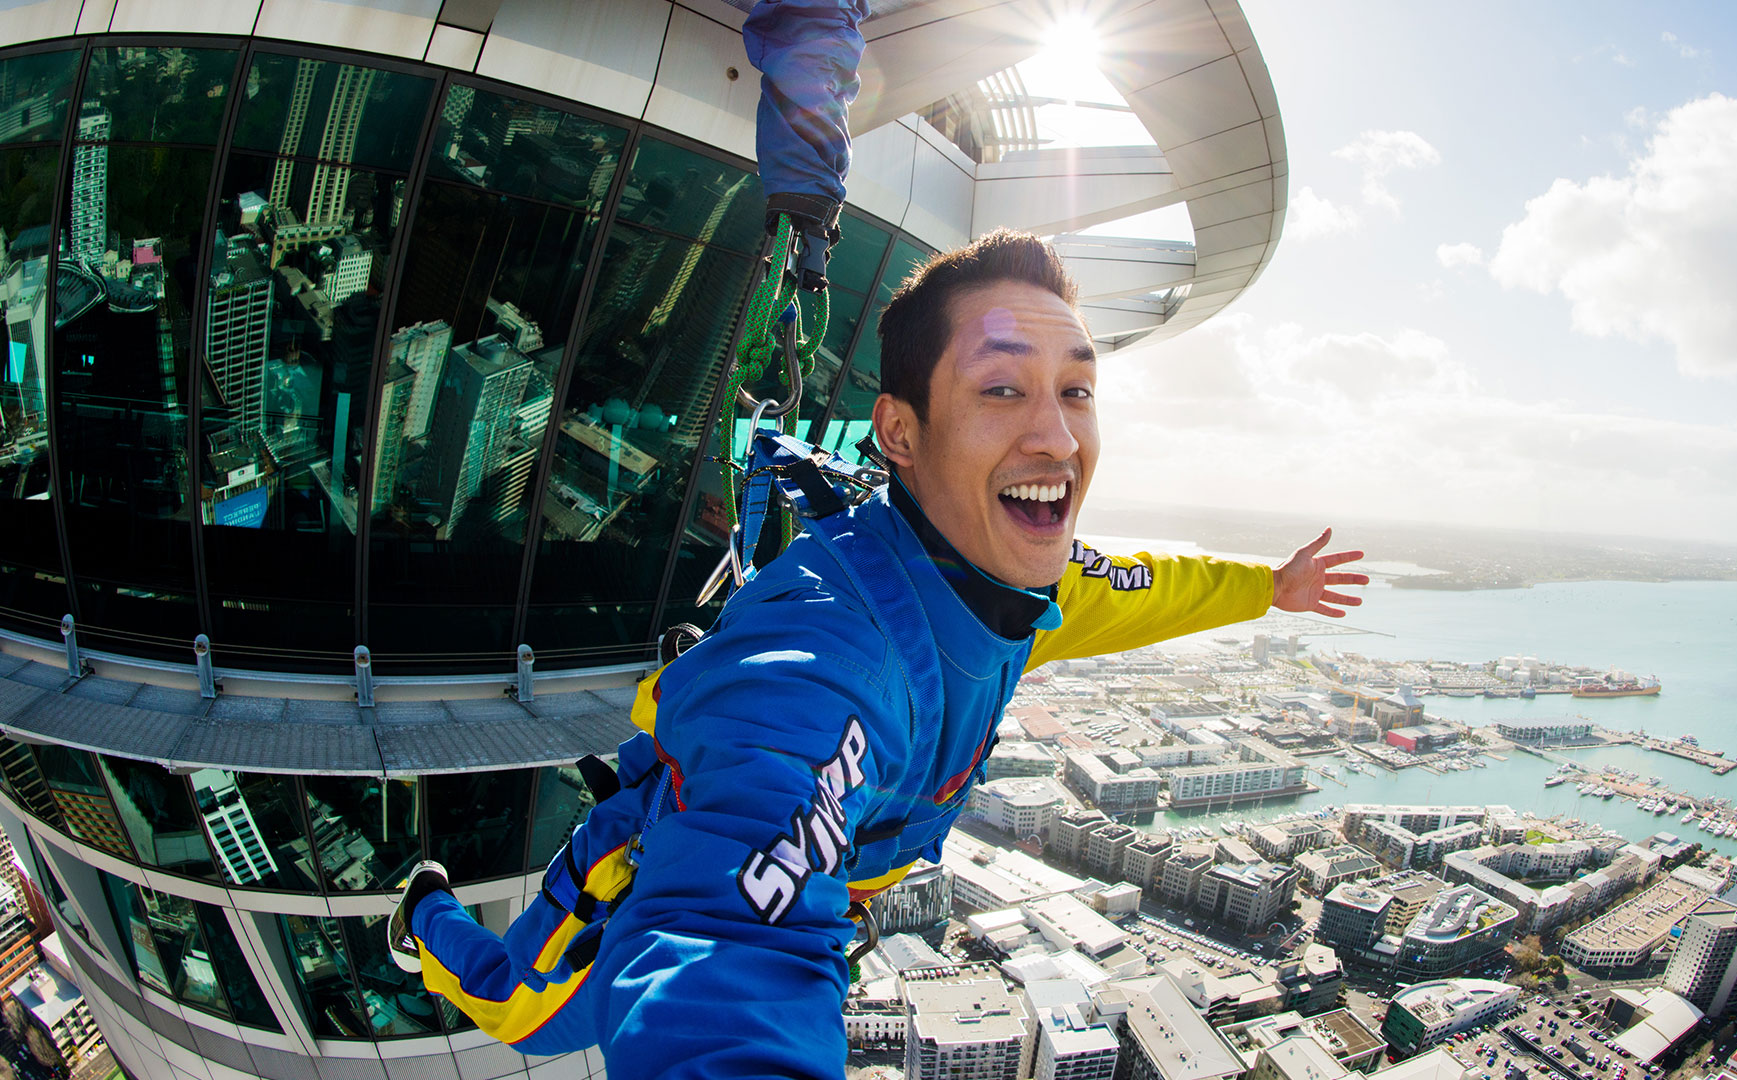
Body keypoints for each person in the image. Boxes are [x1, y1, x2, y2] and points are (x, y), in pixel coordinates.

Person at [389, 229, 1366, 1076]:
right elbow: (728, 951)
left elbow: (1148, 585)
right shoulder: (834, 650)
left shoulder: (1026, 582)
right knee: (530, 1012)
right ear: (899, 431)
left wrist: (1267, 589)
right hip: (662, 852)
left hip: (846, 862)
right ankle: (421, 919)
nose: (1058, 434)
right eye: (1001, 388)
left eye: (1076, 388)